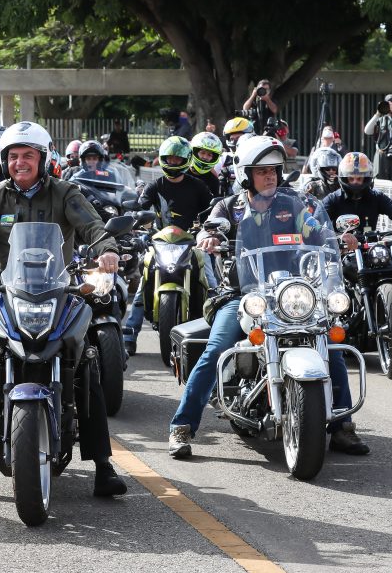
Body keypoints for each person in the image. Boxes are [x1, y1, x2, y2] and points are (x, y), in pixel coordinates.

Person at [0, 121, 127, 498]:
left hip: (59, 291)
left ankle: (103, 465)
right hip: (9, 292)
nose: (20, 162)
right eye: (13, 156)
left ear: (43, 158)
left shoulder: (66, 193)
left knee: (86, 362)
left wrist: (107, 250)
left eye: (27, 156)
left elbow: (94, 228)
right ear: (5, 160)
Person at [168, 135, 369, 459]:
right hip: (244, 294)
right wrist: (208, 235)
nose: (271, 176)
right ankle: (182, 426)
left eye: (274, 170)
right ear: (246, 174)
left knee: (330, 344)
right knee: (217, 348)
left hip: (294, 292)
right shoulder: (230, 207)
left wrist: (337, 237)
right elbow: (213, 224)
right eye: (262, 171)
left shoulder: (292, 204)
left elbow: (316, 228)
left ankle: (342, 426)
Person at [122, 136, 213, 354]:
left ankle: (215, 323)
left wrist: (208, 228)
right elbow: (140, 207)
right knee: (145, 275)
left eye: (177, 159)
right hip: (161, 242)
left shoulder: (198, 186)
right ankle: (130, 334)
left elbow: (212, 210)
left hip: (191, 242)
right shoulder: (155, 186)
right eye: (169, 159)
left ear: (186, 160)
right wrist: (136, 220)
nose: (173, 163)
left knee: (209, 274)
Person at [322, 152, 392, 335]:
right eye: (352, 177)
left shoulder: (375, 197)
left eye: (361, 177)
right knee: (331, 277)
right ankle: (329, 320)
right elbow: (317, 220)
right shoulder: (333, 199)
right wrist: (337, 235)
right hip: (341, 251)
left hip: (369, 248)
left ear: (368, 178)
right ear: (344, 178)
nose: (356, 182)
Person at [187, 131, 225, 197]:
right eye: (202, 153)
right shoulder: (182, 173)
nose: (205, 157)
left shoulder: (214, 180)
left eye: (209, 155)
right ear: (194, 152)